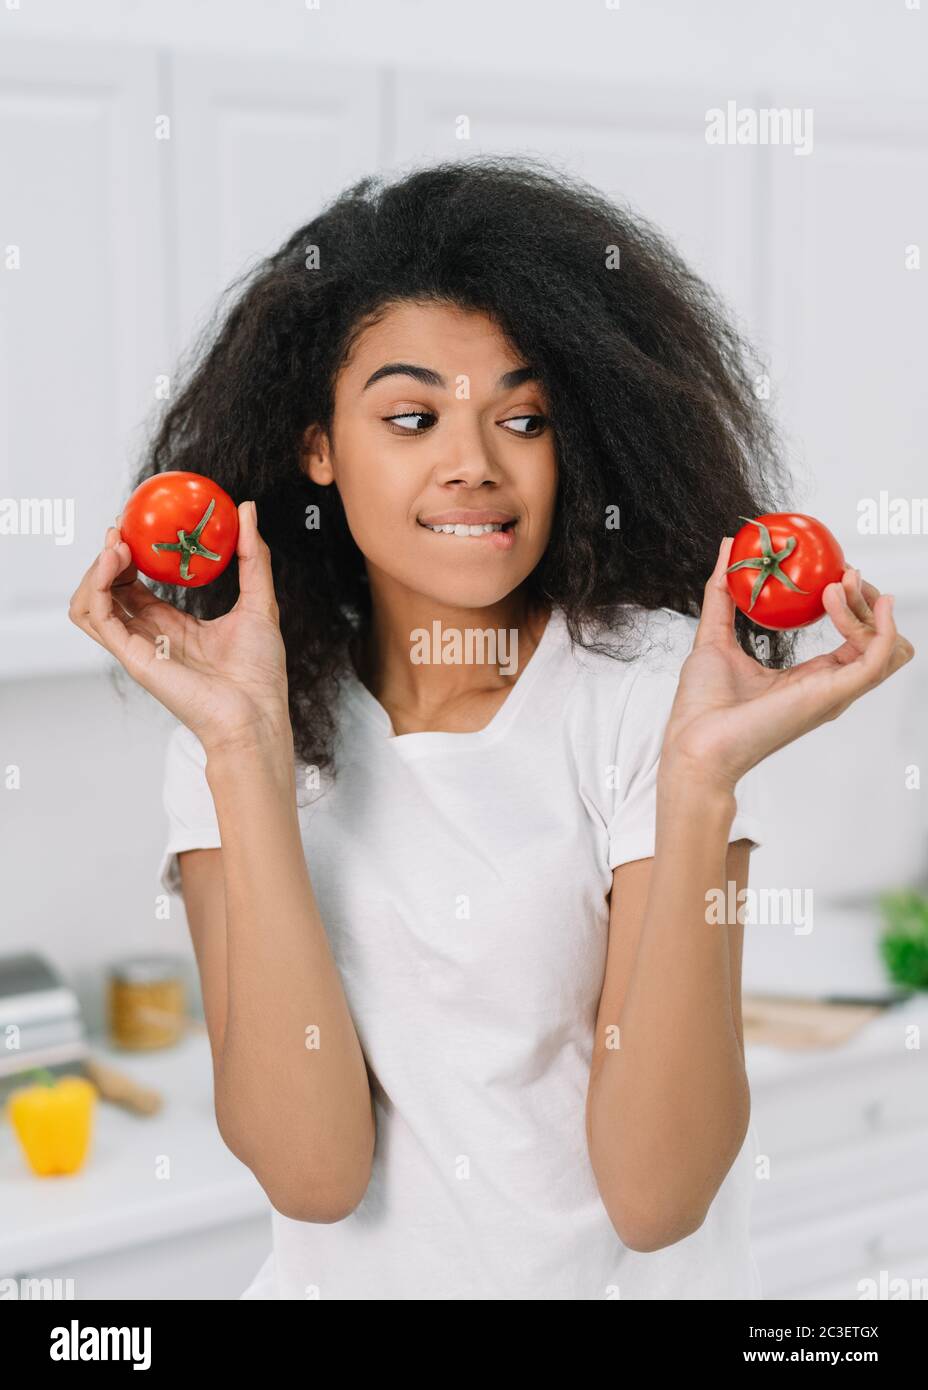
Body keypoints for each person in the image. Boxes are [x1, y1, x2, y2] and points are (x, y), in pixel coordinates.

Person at [68, 157, 914, 1300]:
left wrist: (700, 782)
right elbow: (312, 1173)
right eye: (411, 417)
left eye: (524, 417)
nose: (474, 462)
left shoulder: (655, 691)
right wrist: (243, 755)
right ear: (317, 446)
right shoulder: (235, 723)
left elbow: (658, 1199)